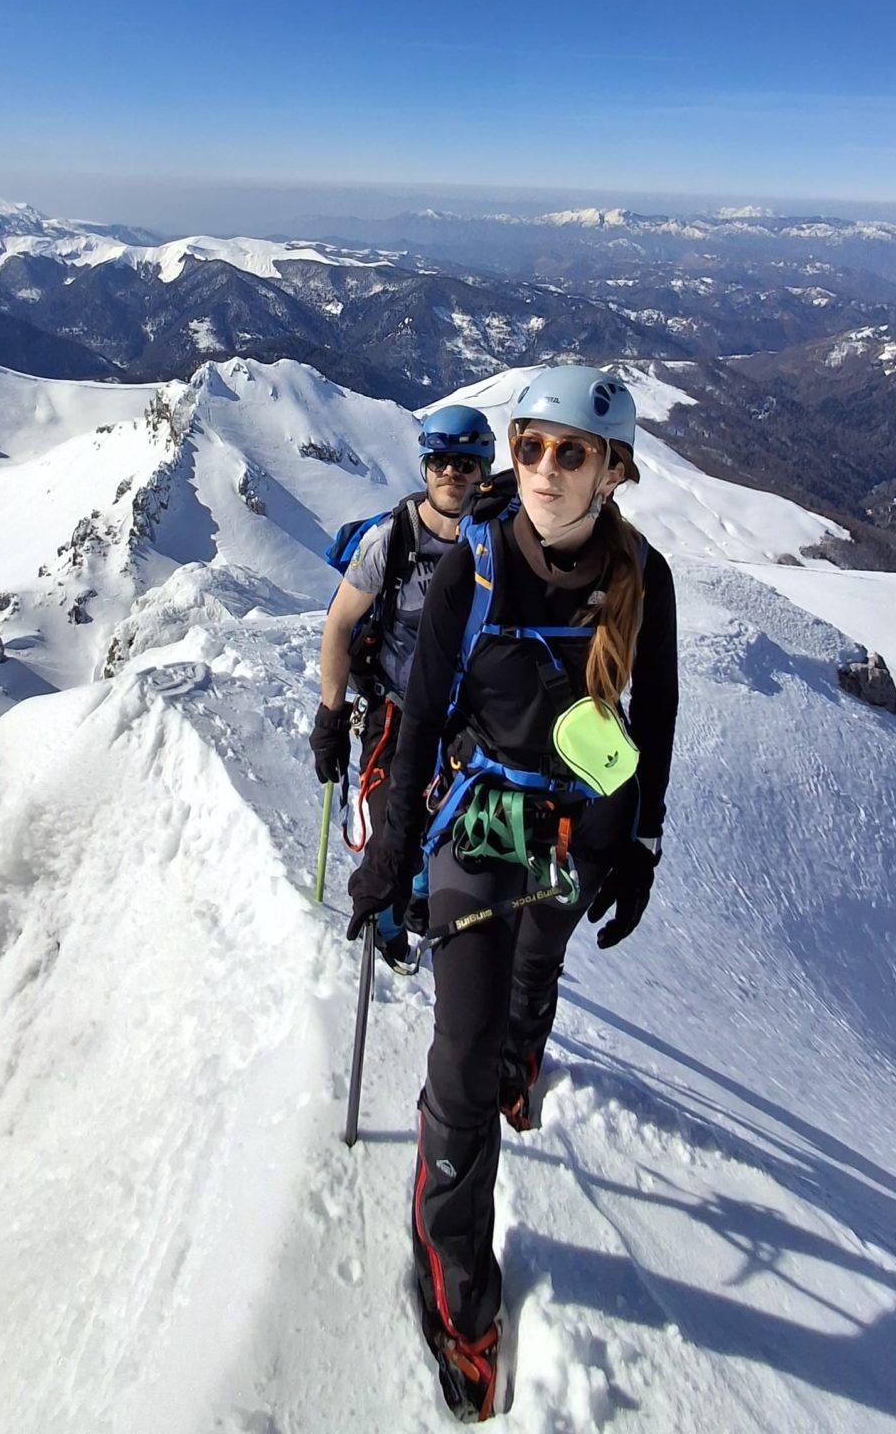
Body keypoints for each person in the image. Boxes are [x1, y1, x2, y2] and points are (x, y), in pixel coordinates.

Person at [346, 365, 679, 1422]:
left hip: (581, 827)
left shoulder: (644, 576)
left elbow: (655, 716)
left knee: (537, 972)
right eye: (529, 446)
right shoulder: (478, 562)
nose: (542, 467)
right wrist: (390, 858)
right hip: (484, 819)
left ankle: (521, 1063)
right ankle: (461, 1294)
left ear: (613, 470)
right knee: (464, 1047)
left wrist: (643, 843)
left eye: (569, 452)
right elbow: (422, 711)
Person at [309, 404, 497, 964]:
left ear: (484, 468)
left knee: (450, 824)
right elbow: (340, 623)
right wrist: (331, 716)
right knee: (394, 820)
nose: (451, 473)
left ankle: (419, 896)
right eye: (440, 462)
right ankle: (390, 923)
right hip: (396, 707)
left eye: (464, 463)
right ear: (424, 467)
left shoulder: (498, 541)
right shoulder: (391, 540)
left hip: (469, 716)